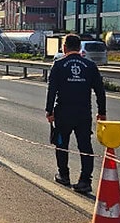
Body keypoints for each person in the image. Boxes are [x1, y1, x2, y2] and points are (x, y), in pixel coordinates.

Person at [45, 33, 107, 194]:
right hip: (83, 113)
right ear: (79, 48)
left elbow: (51, 91)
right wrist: (102, 112)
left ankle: (64, 175)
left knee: (61, 144)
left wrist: (49, 111)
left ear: (64, 47)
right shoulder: (90, 65)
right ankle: (85, 180)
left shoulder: (58, 65)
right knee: (85, 146)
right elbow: (100, 91)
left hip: (63, 112)